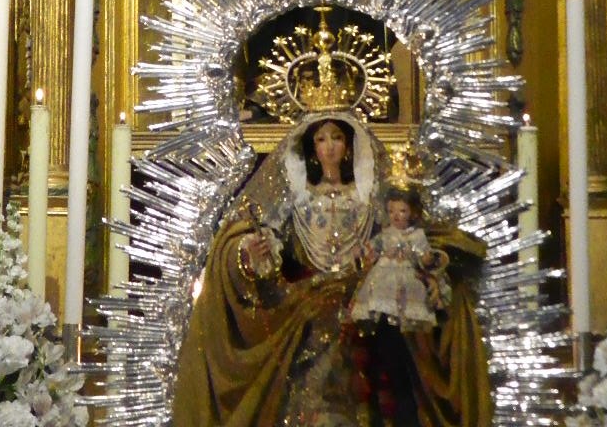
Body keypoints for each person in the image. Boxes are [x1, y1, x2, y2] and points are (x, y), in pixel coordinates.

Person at [171, 111, 493, 427]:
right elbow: (250, 236)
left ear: (349, 145)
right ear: (311, 147)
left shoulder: (368, 197)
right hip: (308, 298)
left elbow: (406, 235)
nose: (329, 147)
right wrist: (251, 251)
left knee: (384, 353)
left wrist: (421, 261)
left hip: (363, 293)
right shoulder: (299, 199)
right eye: (321, 139)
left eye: (337, 138)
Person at [350, 184, 447, 333]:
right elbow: (372, 247)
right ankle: (383, 321)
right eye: (391, 211)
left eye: (402, 211)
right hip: (384, 275)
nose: (395, 215)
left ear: (413, 213)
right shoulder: (385, 234)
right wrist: (361, 251)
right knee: (379, 299)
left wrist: (425, 258)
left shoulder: (417, 235)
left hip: (409, 273)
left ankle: (407, 324)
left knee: (410, 303)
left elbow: (423, 255)